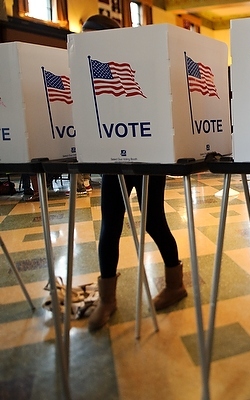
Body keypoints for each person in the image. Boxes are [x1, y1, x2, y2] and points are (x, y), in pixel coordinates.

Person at [83, 14, 187, 331]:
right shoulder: (87, 66)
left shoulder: (135, 64)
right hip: (113, 153)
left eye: (91, 37)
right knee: (110, 223)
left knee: (153, 219)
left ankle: (175, 284)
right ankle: (108, 299)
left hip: (146, 154)